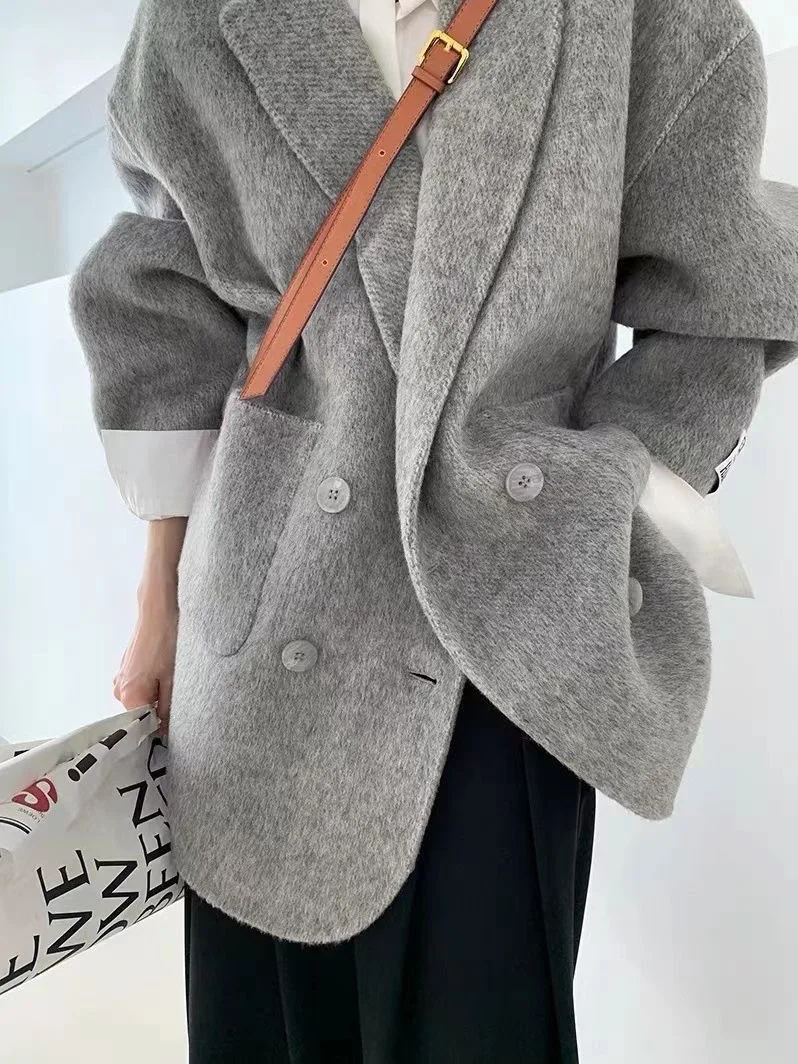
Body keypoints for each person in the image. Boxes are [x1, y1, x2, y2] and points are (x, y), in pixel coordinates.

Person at [69, 0, 798, 1060]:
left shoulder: (643, 16)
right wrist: (157, 604)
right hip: (262, 615)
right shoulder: (195, 18)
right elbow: (161, 308)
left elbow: (724, 294)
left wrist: (603, 496)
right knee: (270, 1025)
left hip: (503, 630)